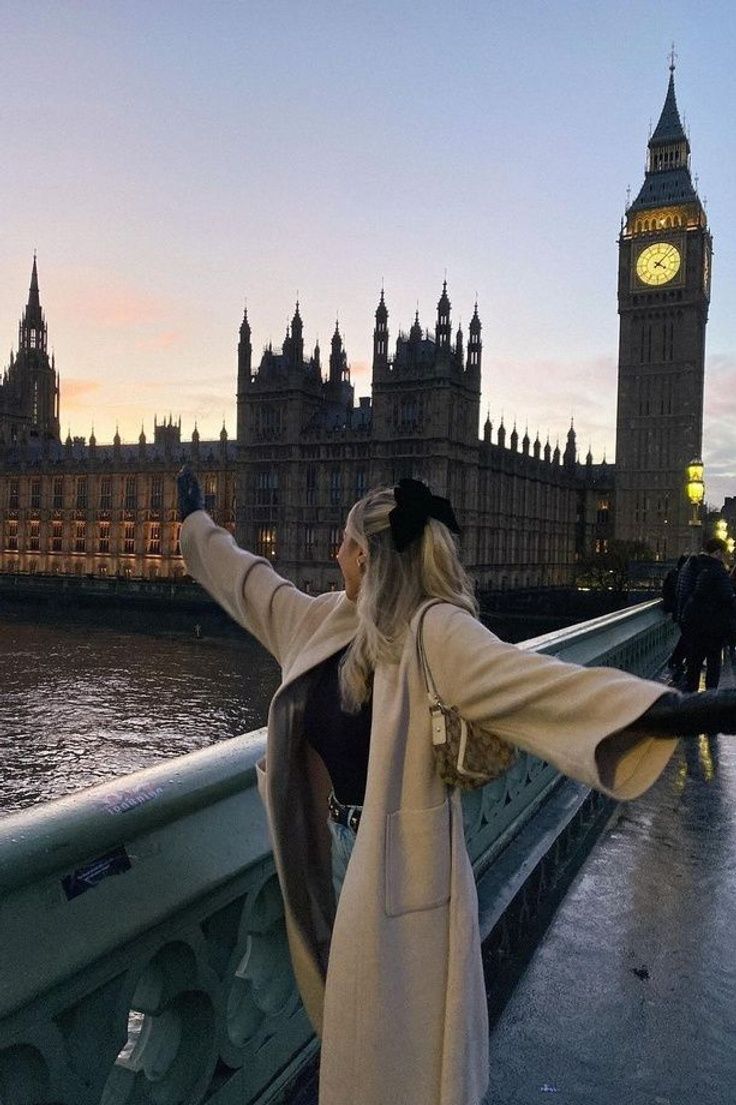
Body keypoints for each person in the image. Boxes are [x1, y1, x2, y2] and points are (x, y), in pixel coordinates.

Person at [177, 469, 736, 1105]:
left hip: (403, 871)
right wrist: (197, 524)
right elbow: (254, 586)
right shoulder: (326, 621)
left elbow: (544, 685)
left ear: (363, 553)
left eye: (341, 543)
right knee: (350, 1026)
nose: (333, 554)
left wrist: (694, 710)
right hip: (327, 851)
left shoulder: (433, 632)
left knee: (403, 1053)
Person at [680, 537, 736, 692]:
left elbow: (683, 591)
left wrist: (682, 618)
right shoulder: (717, 570)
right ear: (717, 552)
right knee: (713, 664)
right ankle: (710, 700)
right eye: (723, 553)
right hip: (713, 627)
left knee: (694, 663)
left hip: (693, 623)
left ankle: (691, 699)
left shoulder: (692, 564)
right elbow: (728, 597)